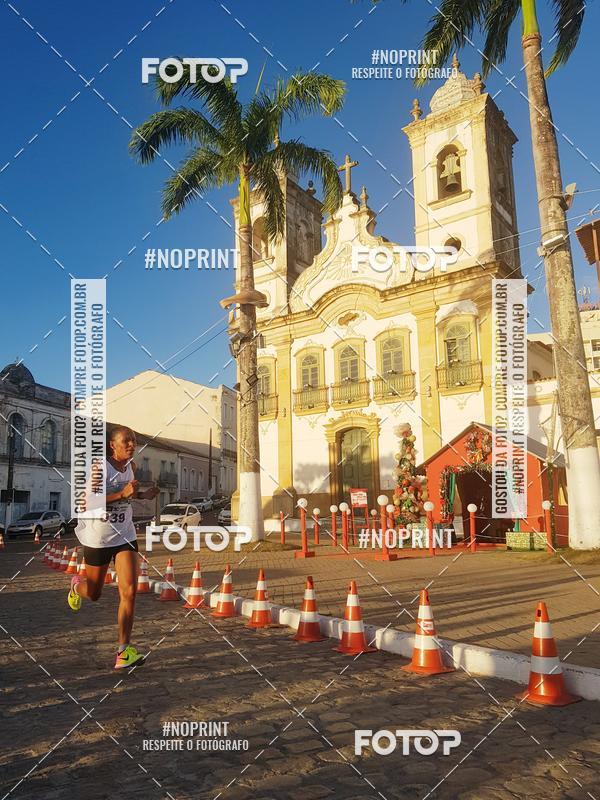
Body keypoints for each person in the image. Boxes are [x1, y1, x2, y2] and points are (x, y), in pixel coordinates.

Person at [68, 425, 159, 669]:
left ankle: (123, 651)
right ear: (112, 444)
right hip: (99, 537)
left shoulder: (132, 467)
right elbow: (87, 502)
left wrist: (143, 495)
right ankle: (77, 586)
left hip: (125, 535)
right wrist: (121, 494)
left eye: (134, 441)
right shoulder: (100, 468)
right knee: (95, 593)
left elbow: (128, 494)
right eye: (126, 441)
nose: (132, 445)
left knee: (129, 591)